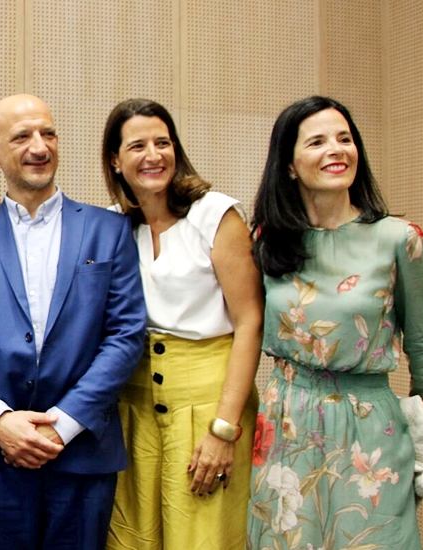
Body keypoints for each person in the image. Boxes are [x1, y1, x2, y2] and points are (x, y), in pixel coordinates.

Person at [0, 94, 146, 549]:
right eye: (22, 136)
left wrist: (63, 423)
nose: (39, 146)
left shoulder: (109, 230)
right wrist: (0, 421)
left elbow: (125, 336)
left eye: (48, 133)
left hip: (82, 452)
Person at [247, 96, 423, 549]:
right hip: (287, 419)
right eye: (318, 141)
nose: (336, 150)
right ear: (288, 165)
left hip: (370, 429)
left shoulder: (401, 239)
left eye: (345, 139)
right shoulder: (267, 240)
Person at [96, 99, 263, 549]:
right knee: (132, 537)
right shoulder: (111, 226)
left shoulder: (216, 214)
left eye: (162, 142)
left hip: (209, 404)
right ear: (115, 160)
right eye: (137, 146)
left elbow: (250, 322)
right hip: (133, 408)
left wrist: (224, 430)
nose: (153, 155)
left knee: (202, 535)